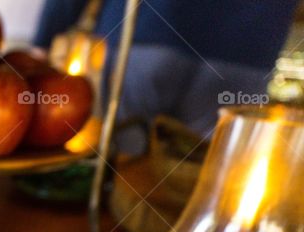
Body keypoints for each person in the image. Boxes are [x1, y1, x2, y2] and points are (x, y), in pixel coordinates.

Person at [33, 0, 299, 152]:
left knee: (123, 170)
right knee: (198, 187)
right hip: (246, 50)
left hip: (148, 32)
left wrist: (44, 39)